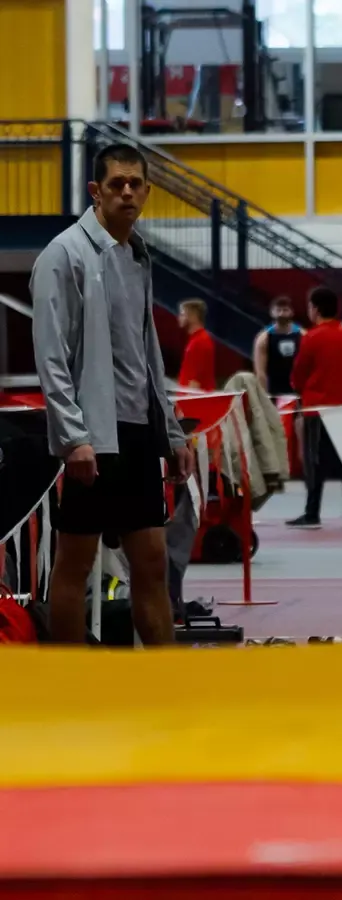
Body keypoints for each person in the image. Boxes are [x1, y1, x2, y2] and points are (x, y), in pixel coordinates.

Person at [30, 141, 195, 645]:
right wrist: (74, 436)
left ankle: (167, 689)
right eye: (117, 183)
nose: (127, 192)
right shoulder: (63, 255)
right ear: (94, 191)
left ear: (146, 191)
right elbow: (51, 356)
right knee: (74, 565)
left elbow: (147, 356)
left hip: (140, 433)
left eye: (136, 184)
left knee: (150, 563)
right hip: (94, 439)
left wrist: (171, 431)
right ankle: (74, 686)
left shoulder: (137, 255)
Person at [288, 286, 342, 530]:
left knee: (314, 463)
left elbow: (298, 374)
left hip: (316, 408)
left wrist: (299, 389)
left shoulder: (311, 337)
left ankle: (312, 513)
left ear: (315, 308)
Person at [253, 294, 302, 397]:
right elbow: (260, 372)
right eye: (278, 310)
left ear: (291, 312)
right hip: (274, 391)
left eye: (285, 310)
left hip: (298, 391)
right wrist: (264, 397)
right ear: (272, 312)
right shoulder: (263, 338)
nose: (281, 314)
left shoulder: (302, 335)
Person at [176, 299, 216, 392]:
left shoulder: (200, 341)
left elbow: (195, 381)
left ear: (193, 317)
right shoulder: (196, 340)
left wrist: (184, 405)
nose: (179, 318)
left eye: (182, 314)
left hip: (194, 402)